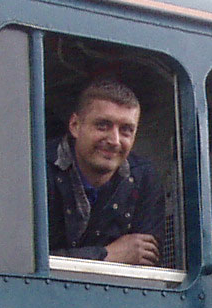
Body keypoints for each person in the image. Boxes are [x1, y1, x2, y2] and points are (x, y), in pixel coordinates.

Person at [48, 77, 168, 266]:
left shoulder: (145, 178)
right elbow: (23, 262)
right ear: (75, 126)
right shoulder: (37, 171)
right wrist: (105, 255)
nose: (115, 140)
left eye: (126, 130)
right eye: (103, 126)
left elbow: (147, 265)